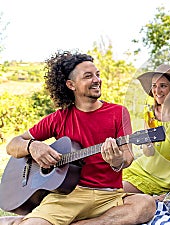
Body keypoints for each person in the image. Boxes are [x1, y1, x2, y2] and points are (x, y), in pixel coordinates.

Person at [0, 51, 156, 225]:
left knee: (146, 204)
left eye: (97, 74)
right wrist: (32, 146)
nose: (97, 80)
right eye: (88, 76)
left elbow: (127, 157)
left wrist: (117, 161)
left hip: (110, 196)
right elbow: (12, 145)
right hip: (69, 196)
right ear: (71, 84)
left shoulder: (118, 112)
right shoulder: (59, 117)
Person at [122, 64, 170, 198]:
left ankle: (156, 197)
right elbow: (148, 153)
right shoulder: (149, 113)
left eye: (163, 86)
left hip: (169, 177)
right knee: (117, 192)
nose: (157, 90)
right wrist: (148, 144)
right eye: (154, 85)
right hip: (144, 171)